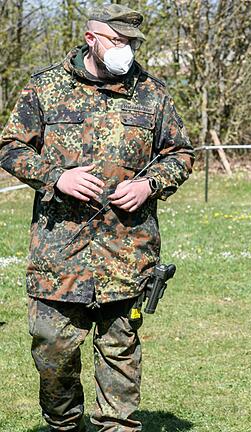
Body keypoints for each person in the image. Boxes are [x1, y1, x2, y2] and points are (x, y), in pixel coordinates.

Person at [0, 5, 194, 431]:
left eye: (132, 43)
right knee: (53, 350)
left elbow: (180, 154)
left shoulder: (152, 93)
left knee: (120, 352)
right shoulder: (45, 88)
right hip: (59, 254)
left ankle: (116, 426)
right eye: (118, 41)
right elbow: (10, 146)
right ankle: (64, 424)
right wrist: (56, 177)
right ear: (91, 39)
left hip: (127, 251)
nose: (126, 50)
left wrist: (150, 184)